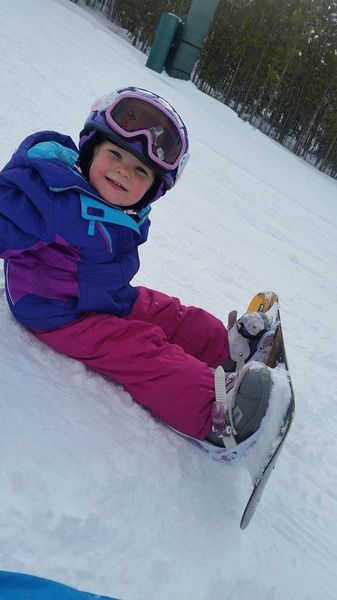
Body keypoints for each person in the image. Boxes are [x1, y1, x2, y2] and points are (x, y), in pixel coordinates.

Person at [0, 86, 272, 459]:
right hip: (58, 313)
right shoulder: (50, 194)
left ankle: (229, 352)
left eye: (140, 171)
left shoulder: (124, 208)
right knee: (141, 350)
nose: (123, 172)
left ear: (153, 190)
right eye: (114, 153)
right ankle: (220, 417)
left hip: (106, 296)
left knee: (172, 315)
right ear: (90, 148)